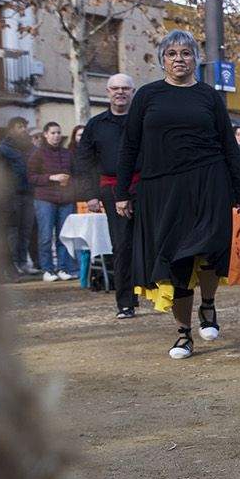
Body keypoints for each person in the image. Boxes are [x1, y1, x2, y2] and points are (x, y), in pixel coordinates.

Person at [114, 30, 240, 361]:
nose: (179, 59)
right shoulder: (147, 96)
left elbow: (228, 145)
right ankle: (183, 334)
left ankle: (208, 304)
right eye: (172, 53)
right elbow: (130, 145)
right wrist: (122, 192)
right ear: (163, 59)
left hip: (209, 182)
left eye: (186, 53)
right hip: (161, 189)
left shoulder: (209, 97)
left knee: (208, 249)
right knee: (175, 258)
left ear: (196, 59)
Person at [73, 73, 139, 317]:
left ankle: (159, 293)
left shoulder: (143, 121)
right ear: (107, 92)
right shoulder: (95, 125)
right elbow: (84, 161)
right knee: (122, 245)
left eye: (125, 88)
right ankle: (126, 302)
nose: (120, 92)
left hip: (143, 188)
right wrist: (90, 195)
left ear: (132, 92)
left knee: (151, 241)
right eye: (115, 88)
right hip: (111, 191)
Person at [27, 121, 77, 282]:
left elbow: (75, 174)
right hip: (45, 199)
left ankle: (63, 268)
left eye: (58, 133)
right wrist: (51, 177)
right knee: (46, 235)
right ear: (46, 135)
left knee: (64, 235)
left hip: (65, 199)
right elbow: (31, 177)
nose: (56, 136)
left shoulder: (67, 153)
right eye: (53, 133)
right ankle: (47, 269)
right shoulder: (38, 154)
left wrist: (70, 183)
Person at [2, 116, 38, 274]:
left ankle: (23, 263)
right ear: (11, 129)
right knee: (13, 232)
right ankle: (13, 264)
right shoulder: (3, 149)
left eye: (24, 126)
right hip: (12, 196)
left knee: (26, 231)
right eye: (19, 126)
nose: (23, 129)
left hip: (29, 194)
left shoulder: (31, 148)